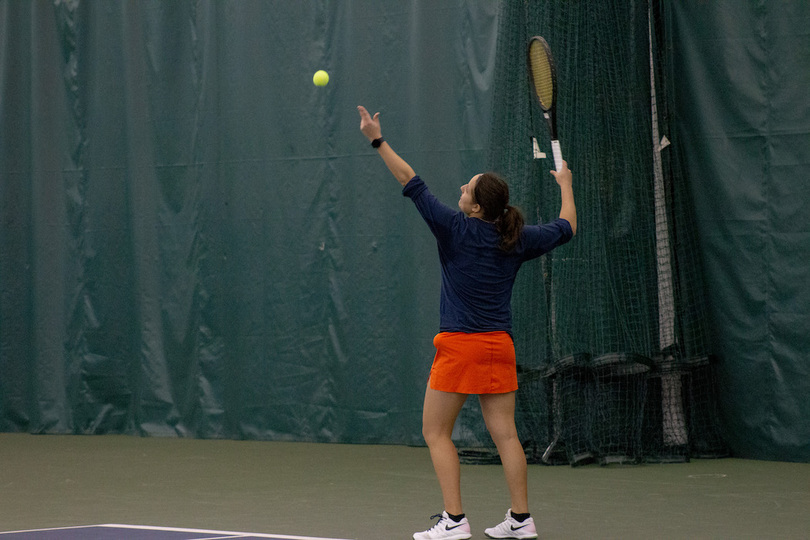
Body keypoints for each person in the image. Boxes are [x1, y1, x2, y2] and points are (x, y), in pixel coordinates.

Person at [357, 105, 576, 540]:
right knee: (506, 436)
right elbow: (567, 226)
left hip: (460, 347)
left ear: (476, 207)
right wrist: (566, 185)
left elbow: (409, 180)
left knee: (435, 432)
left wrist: (377, 140)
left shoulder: (454, 228)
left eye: (467, 187)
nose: (460, 187)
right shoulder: (517, 239)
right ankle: (521, 519)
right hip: (499, 346)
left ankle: (454, 521)